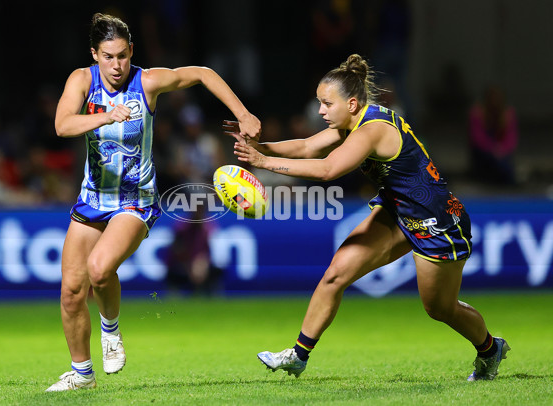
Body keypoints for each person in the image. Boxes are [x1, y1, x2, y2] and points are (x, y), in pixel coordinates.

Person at [228, 54, 509, 381]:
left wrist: (262, 161)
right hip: (396, 210)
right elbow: (307, 147)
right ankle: (298, 355)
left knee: (439, 308)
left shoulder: (372, 129)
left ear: (350, 104)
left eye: (326, 104)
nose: (320, 111)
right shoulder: (351, 123)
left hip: (435, 219)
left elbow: (328, 169)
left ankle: (490, 348)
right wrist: (261, 145)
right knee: (336, 274)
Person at [46, 13, 260, 392]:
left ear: (132, 51)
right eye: (108, 56)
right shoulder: (81, 80)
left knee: (99, 270)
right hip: (92, 198)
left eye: (123, 55)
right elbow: (62, 124)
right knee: (70, 291)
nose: (116, 65)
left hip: (136, 200)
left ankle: (110, 330)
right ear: (94, 54)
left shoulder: (147, 82)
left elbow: (204, 73)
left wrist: (243, 113)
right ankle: (82, 375)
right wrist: (105, 117)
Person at [469, 84, 518, 185]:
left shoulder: (507, 115)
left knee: (503, 165)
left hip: (501, 154)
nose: (494, 102)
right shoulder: (478, 113)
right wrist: (493, 149)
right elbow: (478, 138)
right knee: (496, 164)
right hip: (484, 153)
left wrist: (501, 149)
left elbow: (511, 139)